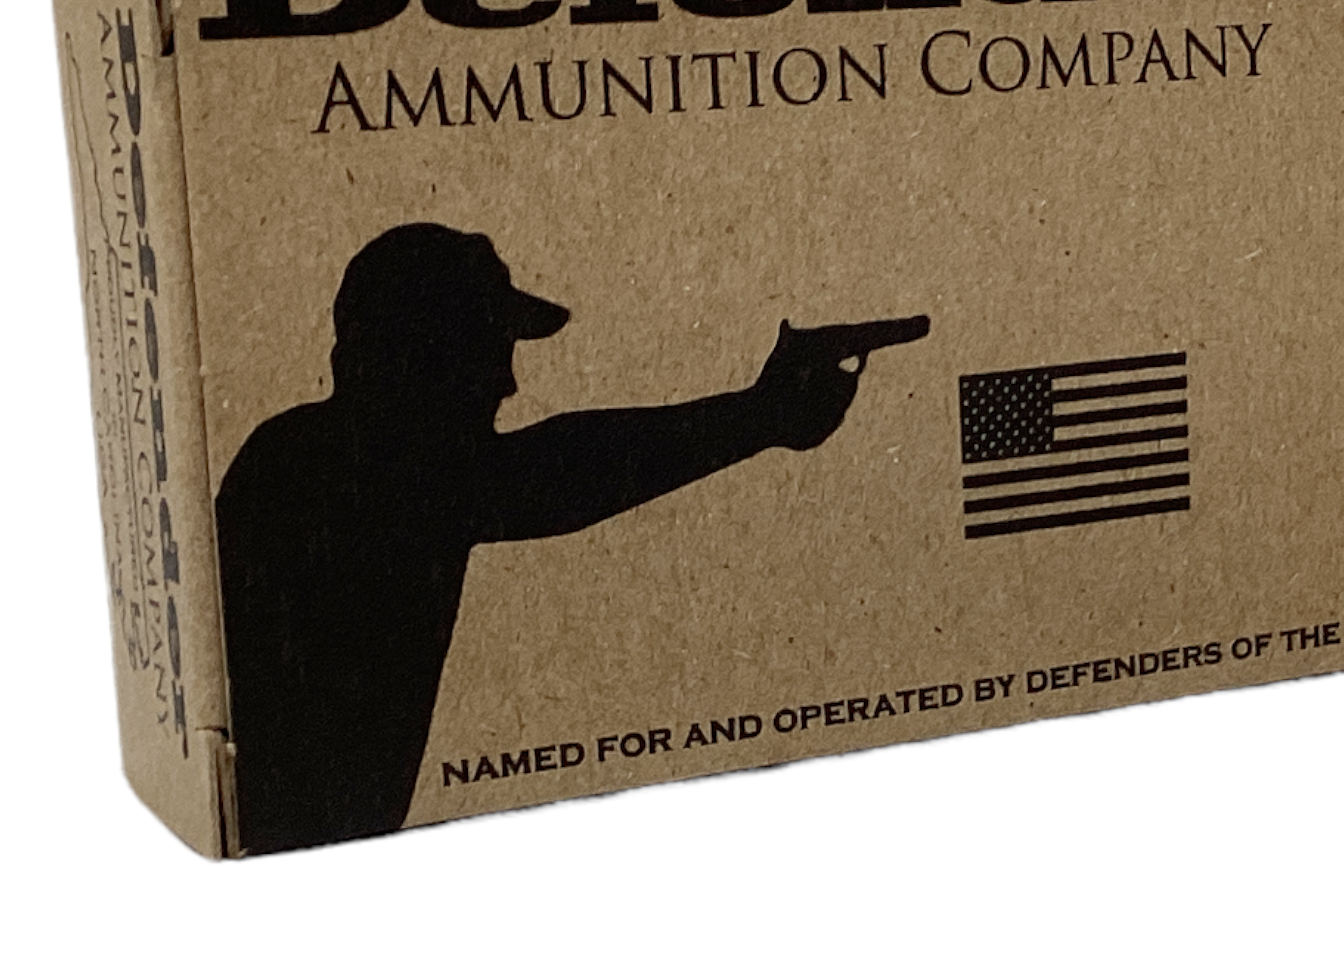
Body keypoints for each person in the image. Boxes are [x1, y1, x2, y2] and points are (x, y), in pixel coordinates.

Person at [215, 223, 895, 854]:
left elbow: (543, 471)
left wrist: (761, 415)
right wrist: (761, 415)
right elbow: (553, 472)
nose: (507, 383)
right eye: (485, 353)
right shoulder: (325, 469)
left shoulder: (308, 459)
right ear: (418, 355)